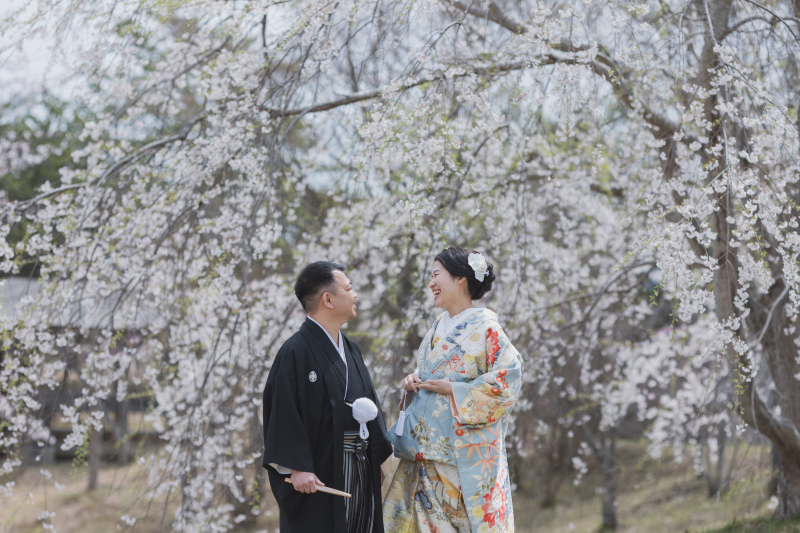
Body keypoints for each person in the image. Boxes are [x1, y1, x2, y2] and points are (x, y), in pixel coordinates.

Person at [382, 246, 523, 533]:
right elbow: (430, 374)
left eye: (436, 275)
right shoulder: (437, 327)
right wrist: (414, 381)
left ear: (460, 278)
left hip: (460, 461)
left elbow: (509, 381)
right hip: (424, 458)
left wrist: (455, 391)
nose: (431, 283)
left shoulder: (487, 329)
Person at [262, 261, 394, 533]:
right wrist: (296, 467)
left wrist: (372, 458)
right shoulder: (295, 351)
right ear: (328, 299)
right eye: (349, 288)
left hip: (359, 467)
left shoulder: (351, 349)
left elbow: (367, 405)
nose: (355, 294)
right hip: (321, 474)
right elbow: (283, 413)